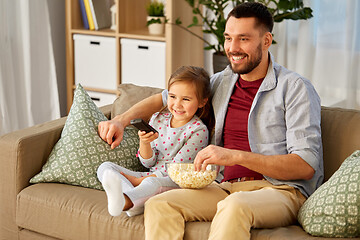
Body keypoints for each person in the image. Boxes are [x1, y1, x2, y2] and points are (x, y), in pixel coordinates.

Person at [98, 2, 323, 239]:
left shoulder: (295, 88)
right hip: (223, 186)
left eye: (243, 39)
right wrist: (121, 121)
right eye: (228, 38)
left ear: (266, 41)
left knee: (236, 205)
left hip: (279, 191)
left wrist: (233, 155)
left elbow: (305, 165)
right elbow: (163, 99)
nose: (232, 48)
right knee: (160, 204)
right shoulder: (221, 83)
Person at [97, 66, 213, 217]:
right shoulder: (158, 118)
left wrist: (137, 180)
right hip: (149, 175)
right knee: (105, 167)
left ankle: (127, 200)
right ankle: (131, 202)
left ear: (202, 102)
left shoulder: (198, 131)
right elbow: (148, 164)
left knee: (150, 184)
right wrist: (144, 143)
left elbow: (175, 171)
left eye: (186, 99)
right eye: (172, 97)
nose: (177, 104)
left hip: (174, 182)